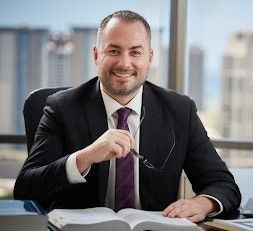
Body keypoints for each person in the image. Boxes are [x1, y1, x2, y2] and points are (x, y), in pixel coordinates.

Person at [14, 10, 241, 222]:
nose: (124, 63)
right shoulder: (62, 107)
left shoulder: (180, 110)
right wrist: (84, 158)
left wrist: (204, 203)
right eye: (113, 50)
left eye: (135, 52)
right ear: (96, 54)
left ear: (149, 57)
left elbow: (223, 184)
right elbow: (26, 187)